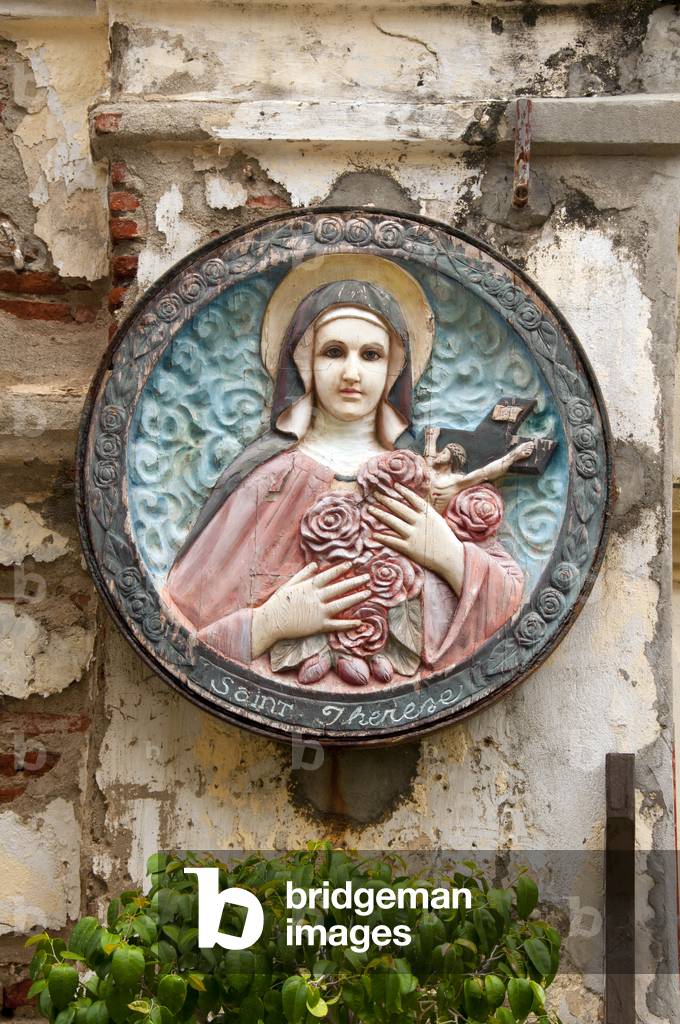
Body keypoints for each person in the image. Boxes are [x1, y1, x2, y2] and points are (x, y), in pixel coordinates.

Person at [162, 279, 524, 686]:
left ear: (393, 370)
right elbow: (181, 640)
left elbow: (508, 609)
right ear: (305, 364)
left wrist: (448, 555)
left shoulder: (418, 479)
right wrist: (269, 623)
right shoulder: (269, 481)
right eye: (333, 352)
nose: (352, 373)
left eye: (371, 355)